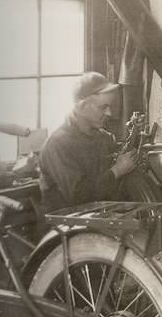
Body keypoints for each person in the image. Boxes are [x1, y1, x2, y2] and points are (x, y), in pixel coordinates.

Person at [38, 72, 138, 212]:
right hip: (63, 225)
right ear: (83, 106)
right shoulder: (58, 144)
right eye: (103, 107)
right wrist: (117, 170)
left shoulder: (104, 138)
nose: (109, 113)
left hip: (96, 217)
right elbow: (77, 196)